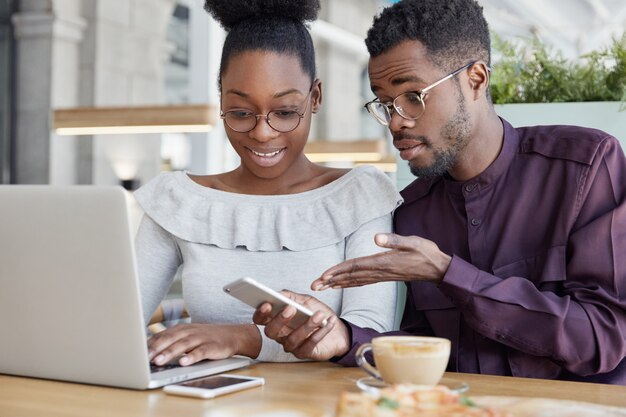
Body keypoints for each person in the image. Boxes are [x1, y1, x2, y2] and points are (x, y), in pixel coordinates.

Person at [253, 0, 626, 384]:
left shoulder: (585, 167)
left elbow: (602, 337)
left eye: (413, 96)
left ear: (476, 79)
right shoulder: (413, 210)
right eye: (385, 103)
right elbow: (431, 349)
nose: (396, 122)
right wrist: (344, 338)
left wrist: (448, 273)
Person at [133, 0, 402, 366]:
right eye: (242, 113)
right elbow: (119, 320)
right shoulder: (179, 201)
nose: (262, 133)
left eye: (286, 112)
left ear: (315, 97)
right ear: (221, 100)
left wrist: (241, 338)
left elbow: (368, 334)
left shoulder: (358, 197)